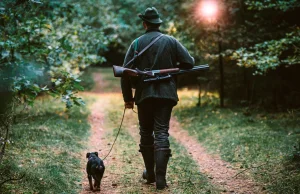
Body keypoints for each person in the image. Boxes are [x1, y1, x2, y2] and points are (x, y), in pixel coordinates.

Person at [120, 7, 194, 190]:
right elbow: (189, 63)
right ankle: (160, 179)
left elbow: (124, 74)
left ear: (145, 24)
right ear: (158, 24)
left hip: (144, 94)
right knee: (161, 132)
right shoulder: (170, 41)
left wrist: (128, 98)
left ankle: (150, 174)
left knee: (146, 132)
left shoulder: (136, 44)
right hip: (166, 94)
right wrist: (171, 66)